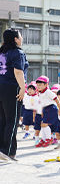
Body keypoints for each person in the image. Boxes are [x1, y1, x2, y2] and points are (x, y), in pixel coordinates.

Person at [0, 29, 28, 160]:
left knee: (2, 120)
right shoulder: (18, 53)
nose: (21, 38)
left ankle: (1, 149)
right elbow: (18, 72)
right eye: (20, 36)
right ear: (16, 39)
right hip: (12, 88)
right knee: (12, 119)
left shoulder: (1, 52)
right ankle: (8, 151)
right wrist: (23, 88)